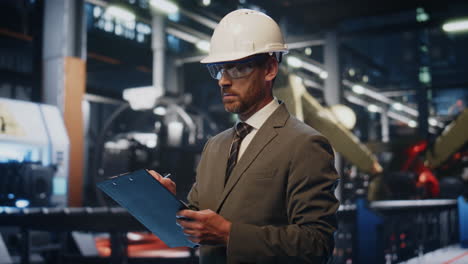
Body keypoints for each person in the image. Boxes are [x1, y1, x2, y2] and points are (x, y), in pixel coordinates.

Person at [149, 9, 340, 264]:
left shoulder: (305, 145)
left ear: (270, 68)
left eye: (238, 68)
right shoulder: (215, 146)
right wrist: (169, 204)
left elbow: (316, 244)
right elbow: (200, 224)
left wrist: (230, 235)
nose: (223, 81)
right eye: (219, 69)